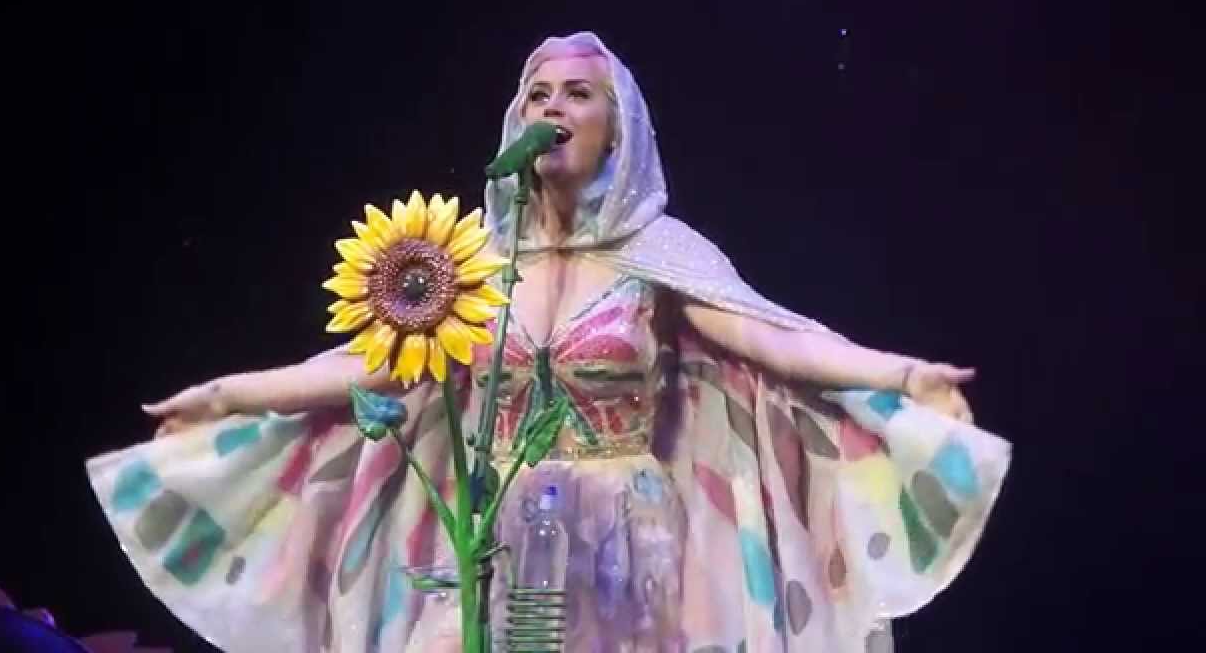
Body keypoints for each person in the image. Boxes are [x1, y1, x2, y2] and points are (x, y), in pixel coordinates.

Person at [88, 32, 1010, 652]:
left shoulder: (660, 254)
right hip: (490, 537)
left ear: (616, 128)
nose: (553, 106)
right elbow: (370, 364)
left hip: (621, 544)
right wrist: (229, 396)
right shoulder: (473, 261)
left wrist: (906, 375)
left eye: (578, 93)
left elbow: (775, 343)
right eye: (538, 92)